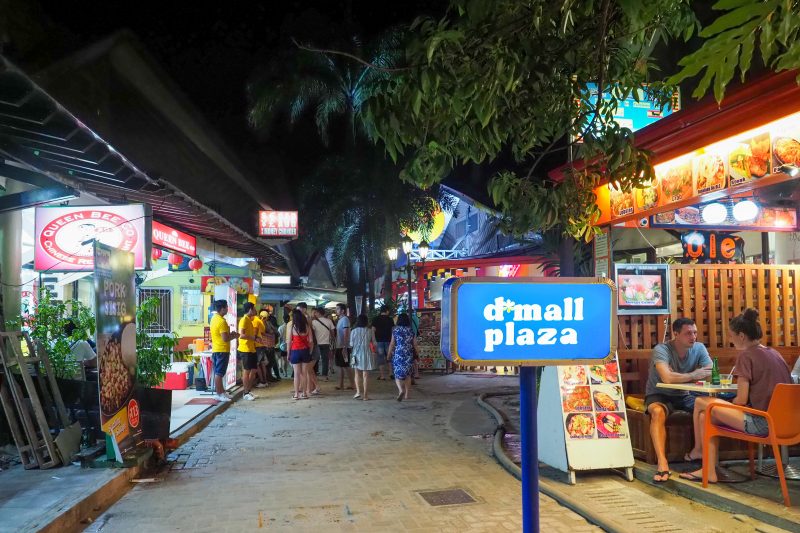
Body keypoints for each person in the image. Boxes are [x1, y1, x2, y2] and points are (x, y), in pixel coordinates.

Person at [680, 309, 793, 483]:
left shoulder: (747, 356)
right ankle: (708, 470)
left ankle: (698, 451)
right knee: (705, 415)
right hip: (789, 424)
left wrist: (727, 402)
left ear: (741, 336)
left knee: (702, 402)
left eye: (730, 335)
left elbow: (741, 399)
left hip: (763, 424)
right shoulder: (774, 353)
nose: (729, 340)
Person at [644, 317, 712, 483]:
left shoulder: (699, 348)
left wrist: (679, 377)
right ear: (675, 334)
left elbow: (710, 371)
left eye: (695, 333)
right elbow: (666, 378)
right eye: (688, 333)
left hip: (684, 394)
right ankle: (662, 462)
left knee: (708, 408)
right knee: (658, 412)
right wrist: (693, 375)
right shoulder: (662, 349)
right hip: (659, 393)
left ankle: (703, 457)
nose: (693, 337)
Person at [210, 300, 238, 402]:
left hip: (217, 349)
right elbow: (225, 338)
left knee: (219, 372)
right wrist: (234, 335)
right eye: (226, 307)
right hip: (222, 350)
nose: (227, 309)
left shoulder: (214, 318)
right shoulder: (221, 321)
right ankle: (219, 394)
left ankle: (222, 392)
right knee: (219, 373)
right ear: (222, 308)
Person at [388, 312, 418, 402]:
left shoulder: (395, 330)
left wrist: (389, 354)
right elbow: (415, 344)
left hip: (398, 354)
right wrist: (418, 354)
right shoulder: (411, 330)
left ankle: (401, 390)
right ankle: (407, 395)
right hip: (408, 354)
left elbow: (392, 343)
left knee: (397, 375)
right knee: (408, 375)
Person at [286, 307, 315, 399]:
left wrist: (288, 353)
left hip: (295, 351)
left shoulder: (292, 327)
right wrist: (310, 351)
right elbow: (311, 341)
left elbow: (289, 341)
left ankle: (296, 394)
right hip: (305, 351)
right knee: (305, 373)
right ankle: (305, 393)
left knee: (296, 374)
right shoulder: (307, 327)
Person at [349, 314, 377, 400]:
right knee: (365, 375)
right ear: (366, 321)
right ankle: (365, 395)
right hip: (367, 353)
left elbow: (351, 344)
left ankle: (358, 392)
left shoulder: (353, 331)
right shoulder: (370, 331)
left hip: (356, 354)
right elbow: (375, 343)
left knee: (357, 373)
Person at [237, 302, 259, 401]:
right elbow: (241, 335)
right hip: (245, 349)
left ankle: (248, 390)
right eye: (254, 308)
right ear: (250, 309)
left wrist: (255, 338)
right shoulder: (243, 320)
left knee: (254, 370)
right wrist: (253, 337)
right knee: (247, 371)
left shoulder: (249, 320)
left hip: (251, 348)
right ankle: (245, 393)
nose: (255, 310)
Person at [334, 303, 355, 390]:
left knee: (346, 366)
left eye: (338, 309)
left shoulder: (345, 319)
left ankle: (352, 384)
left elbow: (346, 333)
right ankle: (341, 384)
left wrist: (345, 347)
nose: (336, 310)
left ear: (342, 310)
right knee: (340, 366)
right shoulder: (340, 320)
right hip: (340, 346)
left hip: (343, 346)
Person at [311, 307, 335, 381]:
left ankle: (314, 375)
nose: (315, 314)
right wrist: (331, 339)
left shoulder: (314, 322)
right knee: (325, 360)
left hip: (317, 344)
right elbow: (333, 333)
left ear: (318, 313)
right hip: (326, 343)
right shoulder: (329, 321)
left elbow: (312, 333)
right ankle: (325, 376)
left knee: (315, 359)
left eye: (316, 312)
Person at [371, 306, 394, 381]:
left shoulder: (376, 319)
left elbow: (373, 330)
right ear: (387, 311)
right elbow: (393, 330)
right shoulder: (390, 319)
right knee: (389, 357)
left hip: (379, 341)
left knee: (380, 358)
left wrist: (374, 340)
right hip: (389, 341)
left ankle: (382, 376)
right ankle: (391, 374)